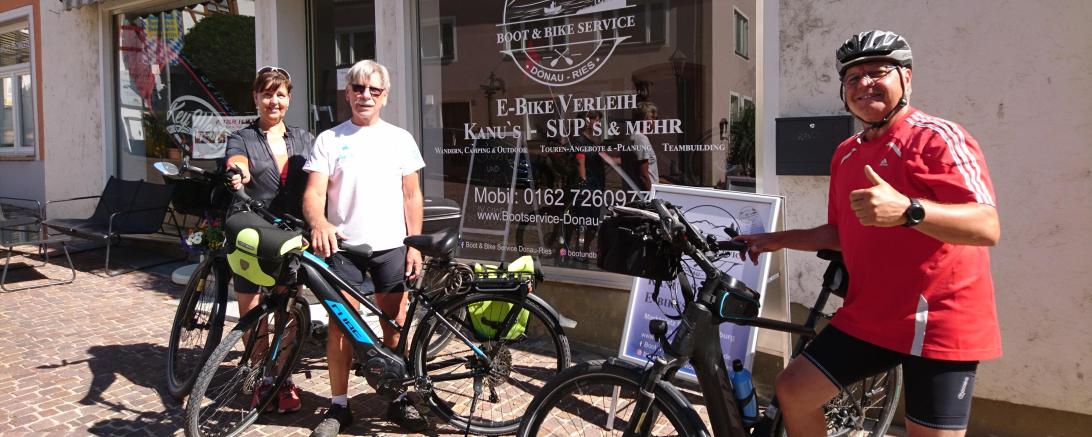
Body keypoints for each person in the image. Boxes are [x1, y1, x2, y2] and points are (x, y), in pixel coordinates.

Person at [735, 30, 1001, 436]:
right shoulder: (846, 153)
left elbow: (986, 225)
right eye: (852, 78)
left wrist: (909, 210)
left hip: (938, 320)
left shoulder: (938, 137)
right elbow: (843, 233)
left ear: (906, 79)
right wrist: (776, 240)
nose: (863, 84)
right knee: (794, 390)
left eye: (877, 72)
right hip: (872, 314)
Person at [301, 59, 428, 436]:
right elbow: (313, 193)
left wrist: (415, 245)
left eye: (374, 90)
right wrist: (319, 222)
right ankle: (339, 406)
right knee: (342, 326)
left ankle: (398, 398)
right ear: (348, 93)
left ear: (385, 96)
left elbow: (412, 196)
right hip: (344, 248)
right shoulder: (330, 139)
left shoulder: (400, 139)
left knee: (395, 323)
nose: (365, 96)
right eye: (358, 88)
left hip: (392, 246)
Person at [224, 66, 314, 414]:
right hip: (251, 229)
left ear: (289, 99)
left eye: (280, 94)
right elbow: (236, 160)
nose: (273, 101)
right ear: (256, 97)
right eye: (266, 93)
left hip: (289, 232)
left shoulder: (304, 139)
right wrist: (239, 171)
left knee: (286, 306)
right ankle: (260, 372)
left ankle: (283, 376)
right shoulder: (243, 137)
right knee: (251, 307)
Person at [622, 101, 661, 192]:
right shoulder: (641, 138)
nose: (655, 122)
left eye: (656, 118)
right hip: (646, 194)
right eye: (652, 118)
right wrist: (652, 198)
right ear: (643, 119)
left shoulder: (635, 136)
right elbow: (643, 175)